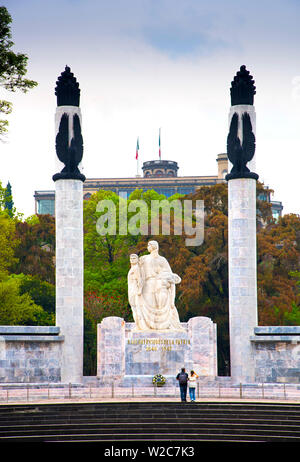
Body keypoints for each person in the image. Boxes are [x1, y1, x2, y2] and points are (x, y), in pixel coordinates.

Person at [127, 240, 183, 331]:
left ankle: (164, 326)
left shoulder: (162, 260)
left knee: (161, 307)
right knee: (147, 307)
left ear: (153, 247)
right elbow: (136, 269)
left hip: (159, 285)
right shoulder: (144, 258)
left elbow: (170, 275)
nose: (147, 247)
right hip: (147, 286)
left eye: (149, 245)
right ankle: (145, 327)